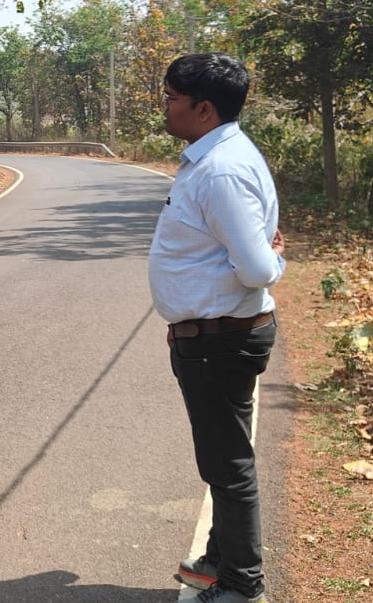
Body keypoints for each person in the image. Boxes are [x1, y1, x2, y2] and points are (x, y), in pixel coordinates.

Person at [148, 53, 285, 603]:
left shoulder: (222, 169)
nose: (163, 106)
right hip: (209, 335)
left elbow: (256, 267)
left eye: (170, 98)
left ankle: (242, 584)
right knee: (222, 454)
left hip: (220, 339)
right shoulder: (210, 158)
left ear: (203, 109)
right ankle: (219, 559)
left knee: (227, 465)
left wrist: (275, 261)